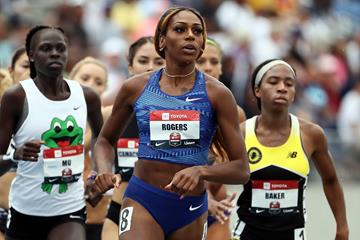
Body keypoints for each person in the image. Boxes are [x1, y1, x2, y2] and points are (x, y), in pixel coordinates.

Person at [92, 7, 250, 240]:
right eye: (180, 29)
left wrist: (201, 171)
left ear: (202, 44)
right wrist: (104, 171)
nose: (190, 36)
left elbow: (241, 169)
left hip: (191, 209)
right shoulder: (136, 87)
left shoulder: (218, 94)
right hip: (143, 200)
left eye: (197, 32)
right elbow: (104, 141)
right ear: (162, 40)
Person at [0, 25, 103, 240]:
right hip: (24, 211)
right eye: (46, 48)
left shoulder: (86, 97)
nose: (55, 53)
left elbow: (102, 141)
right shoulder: (16, 97)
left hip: (69, 209)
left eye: (60, 48)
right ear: (32, 55)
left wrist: (95, 175)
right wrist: (15, 156)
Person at [231, 59, 349, 240]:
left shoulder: (311, 134)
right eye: (273, 82)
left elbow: (331, 180)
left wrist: (342, 227)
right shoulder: (241, 133)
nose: (282, 88)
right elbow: (214, 177)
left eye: (289, 84)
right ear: (257, 90)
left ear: (294, 93)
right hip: (246, 235)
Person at [101, 36, 165, 240]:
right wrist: (103, 173)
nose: (150, 67)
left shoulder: (182, 115)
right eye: (143, 61)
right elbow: (94, 149)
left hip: (166, 211)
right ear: (130, 67)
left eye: (158, 61)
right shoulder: (108, 115)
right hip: (120, 209)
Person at [196, 37, 246, 240]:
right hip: (176, 203)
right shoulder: (170, 107)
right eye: (201, 61)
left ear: (222, 68)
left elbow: (230, 164)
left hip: (217, 205)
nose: (208, 67)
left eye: (214, 62)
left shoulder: (236, 113)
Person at [69, 56, 110, 240]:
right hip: (63, 219)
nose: (91, 84)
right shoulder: (55, 122)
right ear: (71, 79)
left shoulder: (112, 120)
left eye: (98, 81)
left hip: (102, 223)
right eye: (85, 78)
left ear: (104, 89)